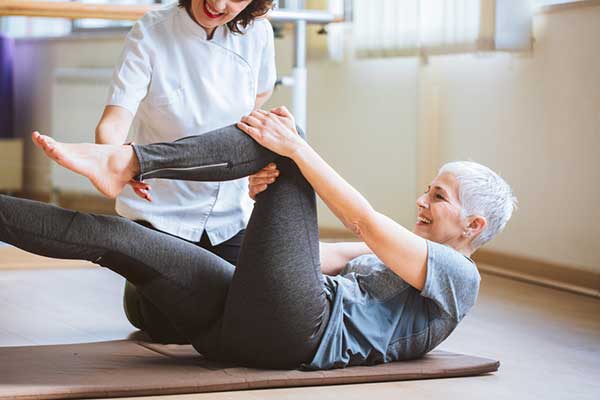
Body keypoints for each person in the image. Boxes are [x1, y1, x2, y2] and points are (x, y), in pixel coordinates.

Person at [1, 107, 516, 370]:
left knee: (288, 136)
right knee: (114, 234)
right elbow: (324, 254)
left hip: (303, 332)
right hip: (243, 325)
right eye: (429, 190)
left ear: (473, 227)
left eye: (440, 197)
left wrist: (294, 153)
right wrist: (267, 208)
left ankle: (131, 161)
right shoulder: (402, 253)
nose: (424, 202)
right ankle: (124, 165)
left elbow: (362, 221)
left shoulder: (459, 276)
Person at [96, 0, 277, 342]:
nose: (218, 3)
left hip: (230, 213)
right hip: (162, 213)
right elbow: (115, 118)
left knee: (249, 311)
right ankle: (138, 289)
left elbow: (261, 92)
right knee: (169, 327)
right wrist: (113, 158)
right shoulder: (152, 29)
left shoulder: (257, 32)